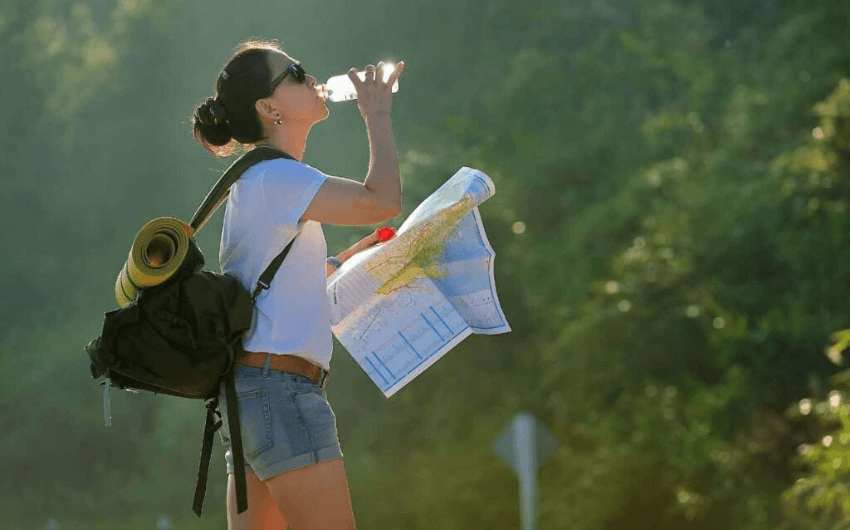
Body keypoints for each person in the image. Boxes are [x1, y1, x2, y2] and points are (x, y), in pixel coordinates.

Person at [191, 39, 404, 530]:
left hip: (252, 392)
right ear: (269, 108)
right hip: (282, 393)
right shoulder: (278, 179)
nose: (311, 79)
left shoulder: (260, 182)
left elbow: (269, 287)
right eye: (295, 73)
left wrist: (342, 261)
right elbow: (383, 199)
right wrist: (377, 115)